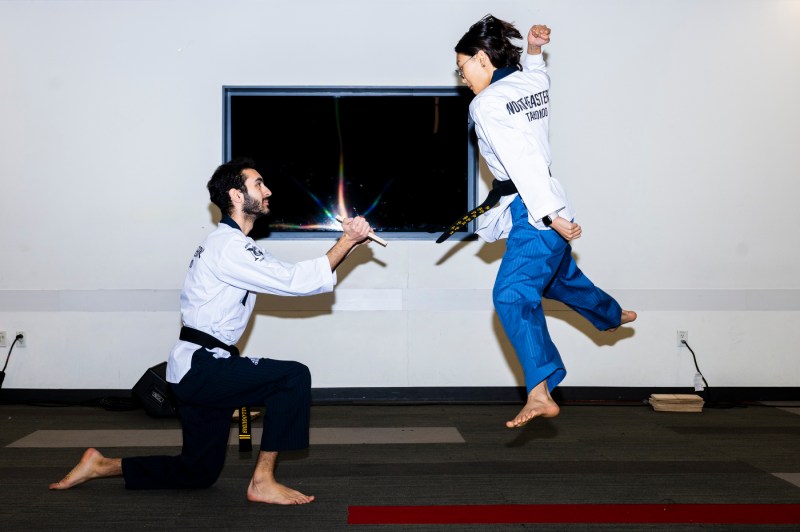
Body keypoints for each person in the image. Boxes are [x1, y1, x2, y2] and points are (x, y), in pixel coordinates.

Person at [49, 157, 373, 504]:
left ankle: (101, 465)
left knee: (197, 472)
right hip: (202, 367)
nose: (268, 191)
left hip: (196, 368)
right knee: (293, 377)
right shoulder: (228, 247)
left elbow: (294, 277)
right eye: (258, 184)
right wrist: (346, 240)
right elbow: (295, 282)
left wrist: (349, 244)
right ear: (236, 195)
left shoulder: (232, 245)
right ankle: (262, 481)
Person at [452, 15, 636, 428]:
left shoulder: (486, 104)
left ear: (482, 59)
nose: (462, 77)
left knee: (512, 295)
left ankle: (539, 391)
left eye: (463, 67)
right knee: (559, 278)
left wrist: (550, 216)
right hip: (541, 202)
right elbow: (540, 78)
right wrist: (535, 51)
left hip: (534, 208)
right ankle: (610, 313)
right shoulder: (527, 82)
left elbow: (523, 162)